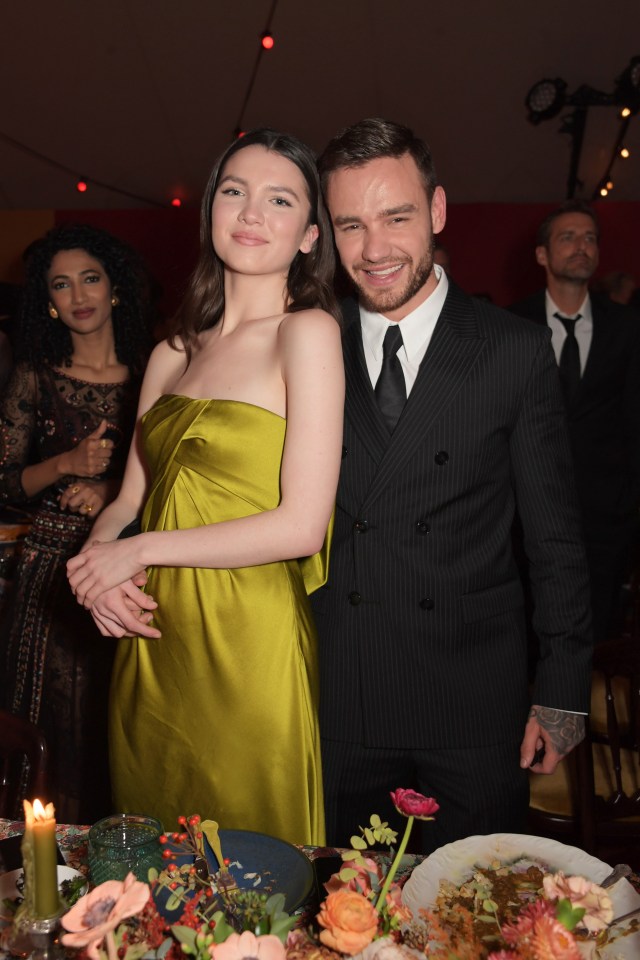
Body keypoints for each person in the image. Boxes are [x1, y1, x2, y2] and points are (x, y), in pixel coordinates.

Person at [311, 118, 593, 852]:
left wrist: (562, 689)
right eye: (350, 224)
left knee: (469, 917)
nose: (373, 250)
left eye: (396, 217)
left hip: (471, 700)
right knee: (345, 919)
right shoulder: (309, 343)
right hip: (342, 690)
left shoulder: (513, 351)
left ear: (436, 211)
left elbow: (556, 537)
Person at [66, 129, 344, 845]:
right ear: (211, 212)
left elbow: (301, 527)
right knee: (150, 880)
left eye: (278, 199)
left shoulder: (306, 333)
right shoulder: (168, 353)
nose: (251, 213)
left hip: (248, 638)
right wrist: (96, 576)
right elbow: (126, 502)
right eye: (234, 192)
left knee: (254, 882)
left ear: (310, 234)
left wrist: (136, 552)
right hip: (151, 636)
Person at [0, 223, 153, 821]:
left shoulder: (157, 373)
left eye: (90, 278)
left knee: (117, 722)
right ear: (48, 301)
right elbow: (4, 480)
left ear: (114, 287)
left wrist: (112, 487)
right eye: (61, 285)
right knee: (48, 731)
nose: (79, 294)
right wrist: (64, 464)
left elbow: (179, 480)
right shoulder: (34, 376)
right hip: (49, 578)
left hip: (128, 568)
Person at [510, 201, 640, 646]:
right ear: (543, 255)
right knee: (529, 637)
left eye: (590, 238)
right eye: (568, 237)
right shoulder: (511, 324)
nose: (581, 246)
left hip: (605, 520)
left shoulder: (627, 327)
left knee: (593, 638)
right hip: (524, 517)